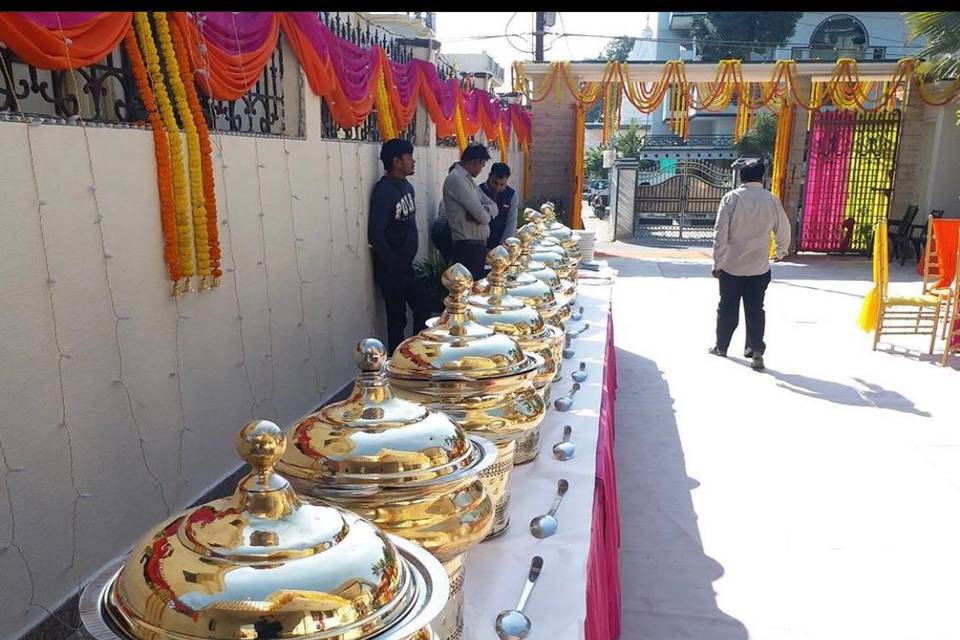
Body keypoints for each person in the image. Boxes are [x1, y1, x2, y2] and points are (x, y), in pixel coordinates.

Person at [709, 159, 791, 371]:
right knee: (756, 309)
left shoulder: (731, 198)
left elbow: (720, 233)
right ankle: (755, 352)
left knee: (727, 307)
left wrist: (717, 262)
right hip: (759, 267)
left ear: (741, 177)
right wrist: (781, 251)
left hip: (731, 266)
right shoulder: (771, 200)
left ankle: (721, 346)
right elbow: (783, 228)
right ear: (762, 177)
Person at [367, 138, 431, 353]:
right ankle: (398, 364)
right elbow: (376, 233)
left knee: (423, 307)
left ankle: (418, 354)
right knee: (397, 320)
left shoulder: (407, 187)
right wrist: (393, 263)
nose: (413, 162)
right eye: (408, 157)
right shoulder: (384, 191)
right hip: (391, 270)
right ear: (396, 161)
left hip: (407, 267)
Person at [442, 143, 498, 279]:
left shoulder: (468, 180)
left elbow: (494, 206)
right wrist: (483, 213)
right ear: (474, 162)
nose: (480, 170)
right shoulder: (457, 180)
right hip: (467, 248)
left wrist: (485, 210)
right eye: (482, 165)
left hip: (477, 247)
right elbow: (483, 218)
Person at [479, 162, 519, 249]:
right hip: (481, 242)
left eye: (502, 185)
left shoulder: (512, 195)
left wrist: (504, 246)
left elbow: (511, 222)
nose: (497, 188)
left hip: (502, 242)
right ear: (489, 176)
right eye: (495, 183)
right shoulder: (478, 191)